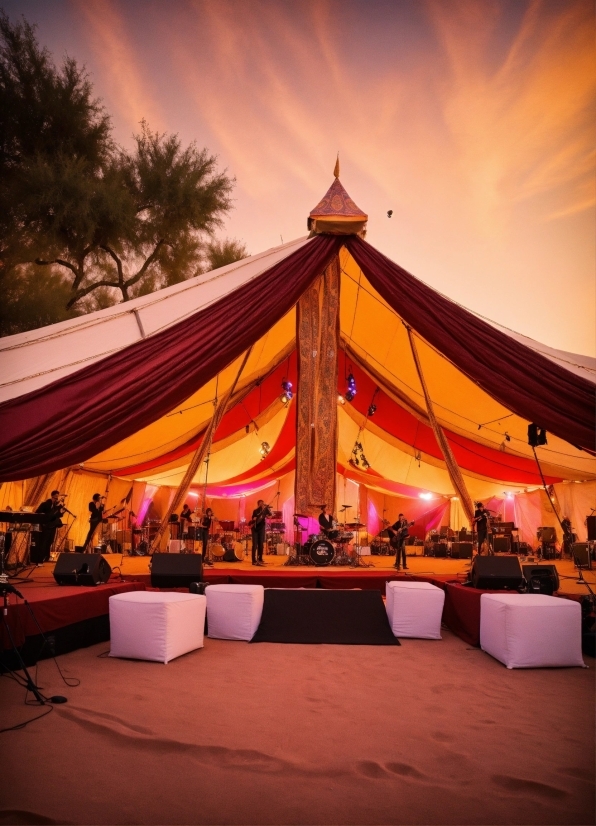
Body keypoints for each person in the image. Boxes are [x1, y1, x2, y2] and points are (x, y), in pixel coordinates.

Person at [34, 490, 65, 564]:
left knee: (50, 542)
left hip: (52, 526)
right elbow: (37, 513)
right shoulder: (45, 504)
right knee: (43, 542)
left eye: (57, 498)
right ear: (52, 497)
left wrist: (61, 513)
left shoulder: (56, 506)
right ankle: (39, 559)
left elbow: (57, 516)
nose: (56, 500)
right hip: (45, 526)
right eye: (55, 498)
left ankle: (46, 557)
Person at [250, 500, 271, 566]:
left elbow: (270, 516)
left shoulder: (265, 510)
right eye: (260, 503)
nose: (262, 504)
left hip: (261, 528)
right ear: (258, 504)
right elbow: (253, 518)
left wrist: (268, 516)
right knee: (255, 545)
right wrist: (254, 518)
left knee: (261, 544)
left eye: (262, 503)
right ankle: (254, 560)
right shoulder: (255, 511)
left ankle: (260, 559)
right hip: (255, 529)